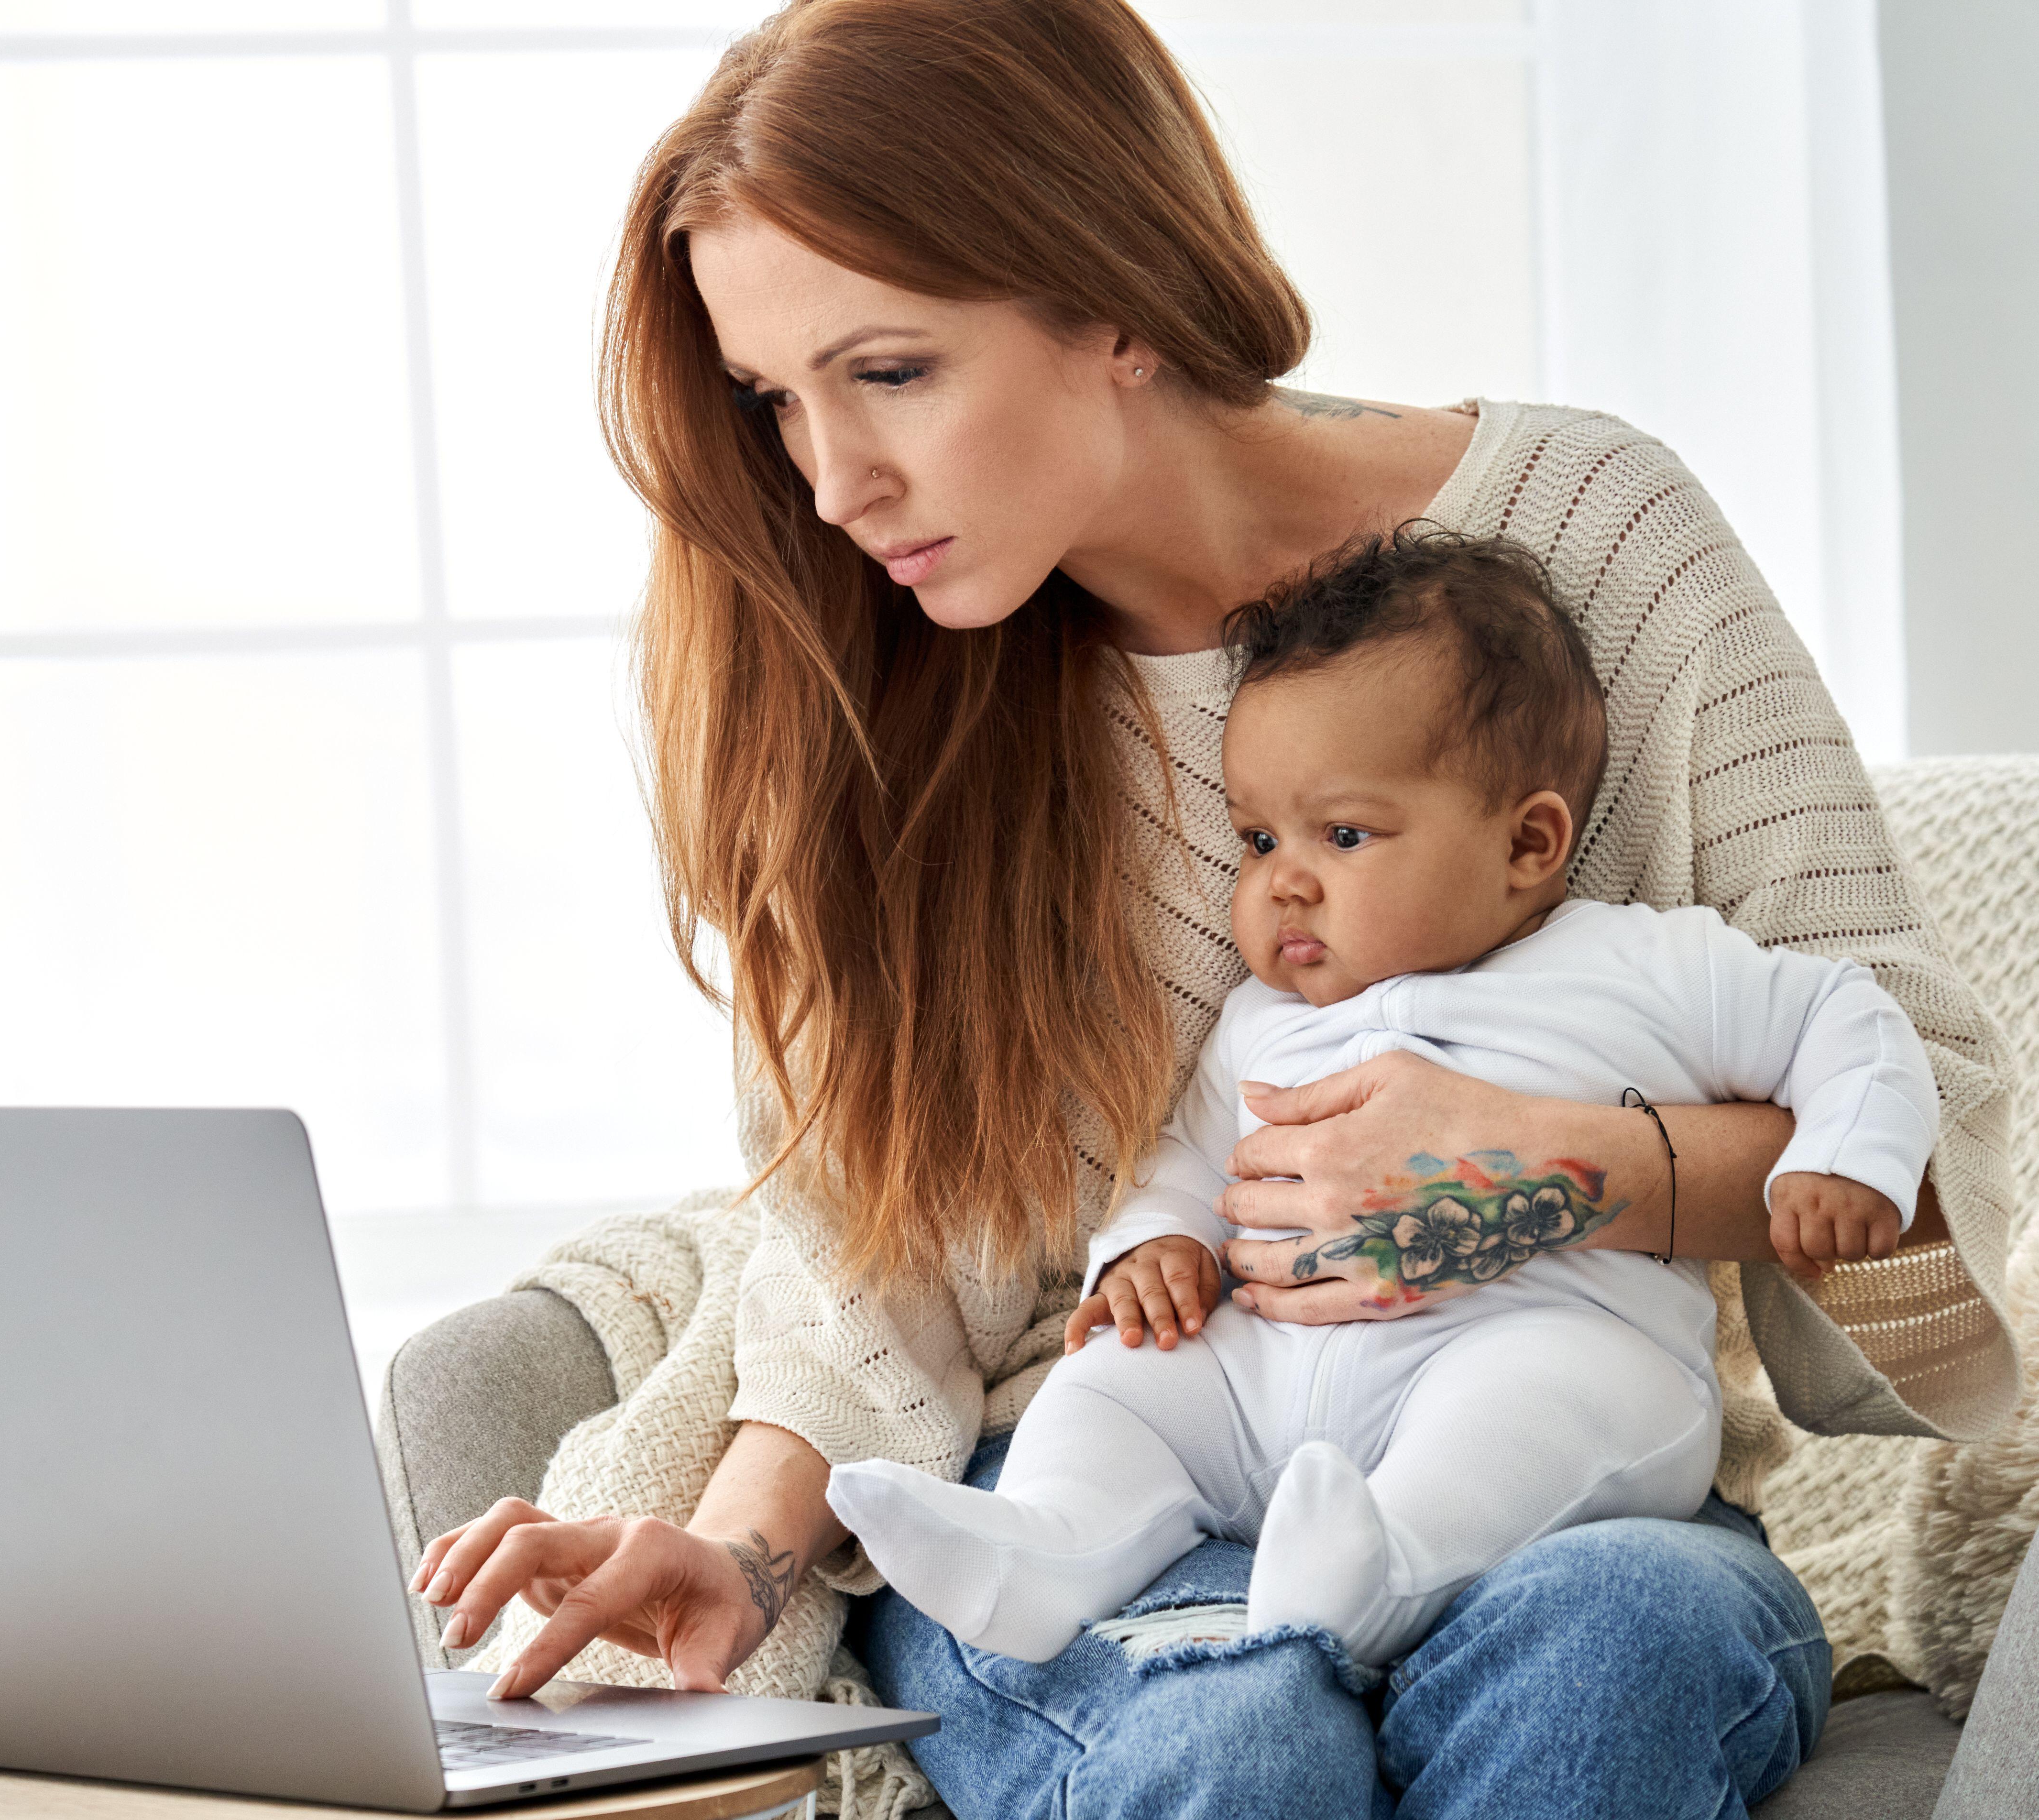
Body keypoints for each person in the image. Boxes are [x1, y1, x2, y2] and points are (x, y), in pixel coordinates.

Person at [410, 1, 2018, 1811]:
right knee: (1224, 1731)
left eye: (887, 373)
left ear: (1109, 296)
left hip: (1560, 1470)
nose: (828, 482)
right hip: (1103, 1487)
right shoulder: (874, 699)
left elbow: (1924, 1112)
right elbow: (867, 1258)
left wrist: (1559, 1160)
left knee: (1612, 1654)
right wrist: (743, 1551)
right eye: (772, 400)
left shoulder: (1595, 538)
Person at [826, 528, 1936, 1671]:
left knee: (1541, 1399)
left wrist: (1848, 1155)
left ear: (1529, 842)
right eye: (1258, 837)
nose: (1280, 879)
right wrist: (1153, 1246)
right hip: (1262, 1377)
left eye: (1343, 834)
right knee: (1119, 1377)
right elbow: (1190, 1154)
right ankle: (1049, 1546)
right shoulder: (1265, 1019)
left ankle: (1389, 1565)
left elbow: (1847, 1018)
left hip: (1525, 1343)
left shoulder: (1646, 965)